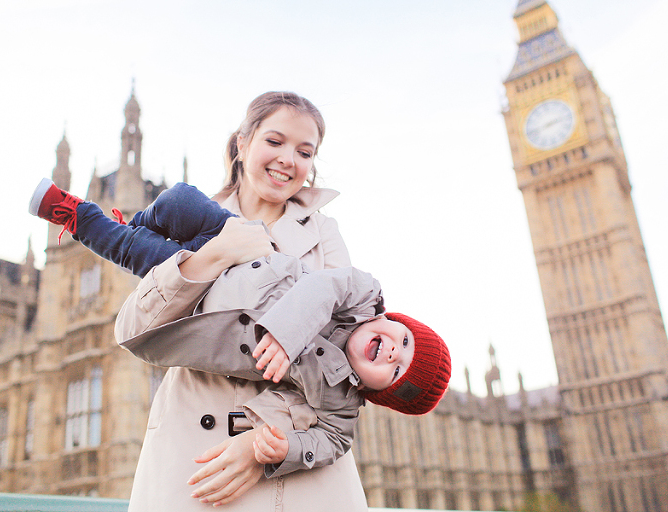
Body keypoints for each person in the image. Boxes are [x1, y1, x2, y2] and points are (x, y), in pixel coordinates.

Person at [35, 91, 369, 511]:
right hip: (196, 454)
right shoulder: (192, 213)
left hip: (298, 457)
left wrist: (262, 446)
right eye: (275, 141)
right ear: (242, 143)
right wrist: (215, 254)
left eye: (305, 151)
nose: (288, 159)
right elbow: (132, 330)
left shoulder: (324, 235)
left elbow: (346, 364)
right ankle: (81, 216)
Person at [30, 177, 451, 477]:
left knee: (133, 252)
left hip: (204, 305)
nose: (395, 353)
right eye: (406, 340)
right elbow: (325, 286)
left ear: (378, 391)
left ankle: (77, 215)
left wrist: (287, 449)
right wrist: (286, 336)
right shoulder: (362, 293)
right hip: (241, 254)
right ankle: (131, 222)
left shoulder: (339, 401)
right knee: (178, 199)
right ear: (391, 319)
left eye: (396, 371)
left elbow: (334, 442)